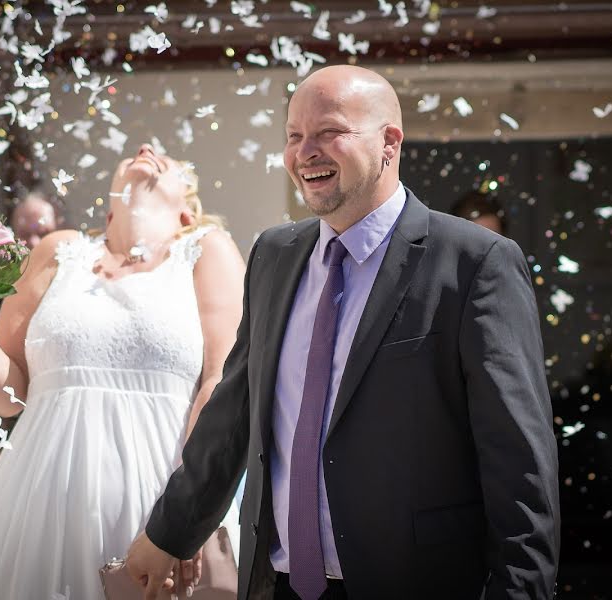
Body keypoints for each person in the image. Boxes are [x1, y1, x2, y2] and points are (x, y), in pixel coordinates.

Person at [125, 65, 560, 599]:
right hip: (279, 585)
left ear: (389, 143)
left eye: (329, 132)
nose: (305, 151)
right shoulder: (273, 255)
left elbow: (519, 464)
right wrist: (167, 533)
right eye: (294, 136)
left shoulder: (475, 263)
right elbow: (233, 414)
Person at [0, 144, 246, 599]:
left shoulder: (205, 250)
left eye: (168, 163)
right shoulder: (59, 252)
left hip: (158, 497)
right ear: (110, 205)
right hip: (39, 500)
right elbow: (8, 395)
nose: (146, 150)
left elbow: (220, 382)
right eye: (134, 152)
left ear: (185, 215)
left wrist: (189, 508)